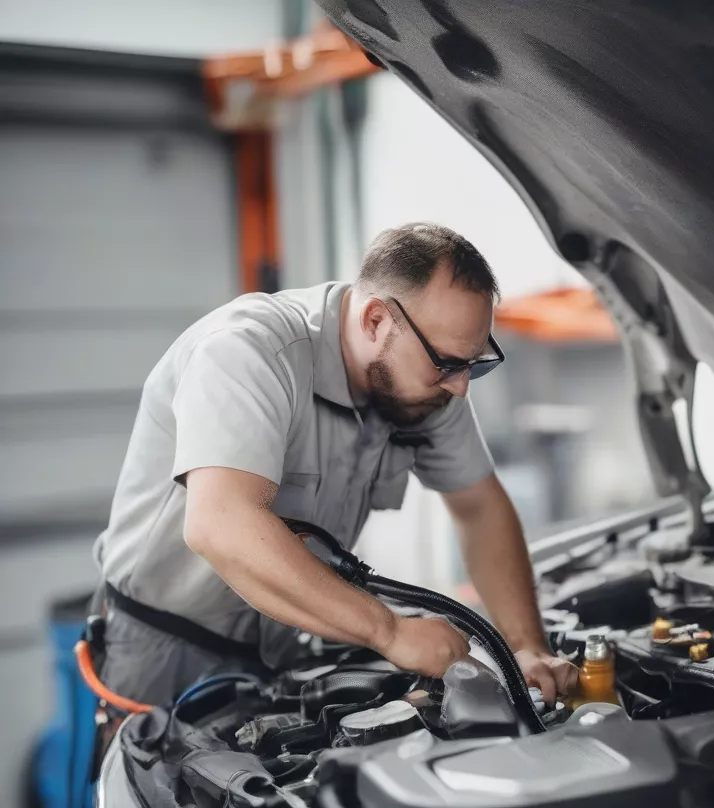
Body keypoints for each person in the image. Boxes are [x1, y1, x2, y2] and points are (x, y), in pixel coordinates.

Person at [92, 222, 577, 707]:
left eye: (476, 364)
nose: (461, 387)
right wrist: (388, 631)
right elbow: (220, 524)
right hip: (165, 648)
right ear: (375, 322)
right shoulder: (248, 352)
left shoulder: (429, 389)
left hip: (285, 641)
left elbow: (479, 507)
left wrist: (526, 648)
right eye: (448, 363)